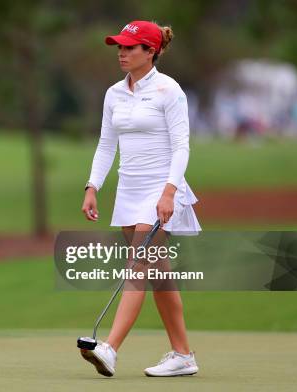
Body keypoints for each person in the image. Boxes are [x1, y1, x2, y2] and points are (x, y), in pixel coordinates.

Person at [80, 20, 202, 377]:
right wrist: (92, 186)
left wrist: (169, 192)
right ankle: (183, 355)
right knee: (159, 275)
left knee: (137, 266)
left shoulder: (169, 90)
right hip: (128, 191)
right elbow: (106, 144)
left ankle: (110, 348)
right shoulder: (113, 93)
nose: (121, 52)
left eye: (130, 48)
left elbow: (182, 145)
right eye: (119, 47)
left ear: (151, 51)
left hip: (161, 191)